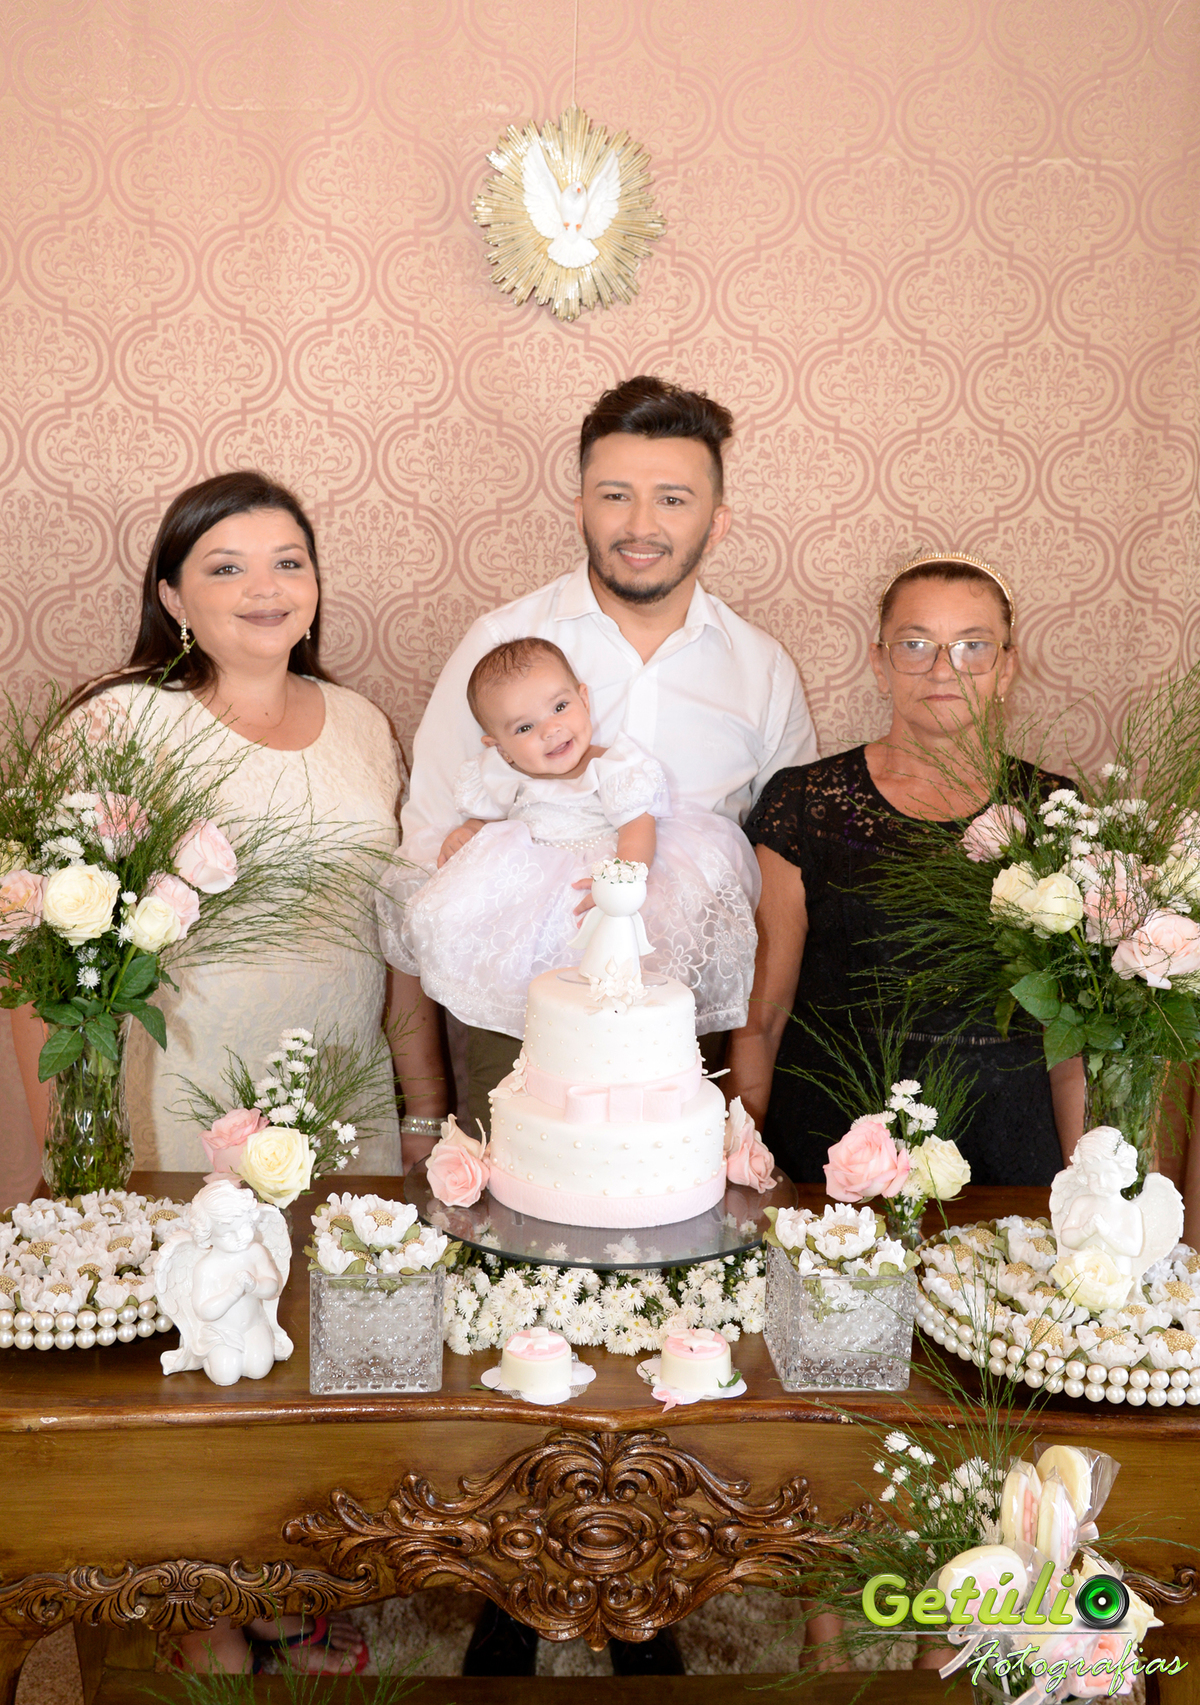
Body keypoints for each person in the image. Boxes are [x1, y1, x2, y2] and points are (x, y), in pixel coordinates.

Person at [393, 374, 817, 1153]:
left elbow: (781, 885)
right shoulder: (499, 645)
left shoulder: (762, 671)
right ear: (581, 506)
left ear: (717, 520)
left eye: (673, 499)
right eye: (615, 495)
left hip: (688, 1030)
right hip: (517, 1023)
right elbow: (424, 855)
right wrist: (423, 1110)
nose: (640, 524)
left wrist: (750, 1094)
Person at [11, 471, 405, 1186]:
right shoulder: (118, 723)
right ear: (172, 598)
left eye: (289, 562)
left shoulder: (364, 725)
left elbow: (399, 924)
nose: (266, 588)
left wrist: (426, 1109)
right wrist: (74, 1159)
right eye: (227, 568)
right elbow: (42, 968)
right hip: (166, 1124)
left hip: (345, 1106)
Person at [725, 551, 1084, 1189]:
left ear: (1006, 667)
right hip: (834, 1153)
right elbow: (761, 1020)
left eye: (973, 646)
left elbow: (1072, 1039)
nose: (943, 669)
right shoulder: (805, 803)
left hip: (1006, 1145)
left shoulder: (1057, 811)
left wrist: (1088, 1186)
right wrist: (745, 1164)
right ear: (879, 662)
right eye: (915, 644)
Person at [377, 636, 758, 1043]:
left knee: (616, 976)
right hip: (530, 892)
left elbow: (637, 826)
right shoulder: (501, 774)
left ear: (584, 699)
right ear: (501, 749)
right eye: (525, 727)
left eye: (560, 707)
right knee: (517, 973)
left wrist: (621, 878)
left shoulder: (612, 765)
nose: (551, 730)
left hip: (602, 882)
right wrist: (467, 832)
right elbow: (485, 817)